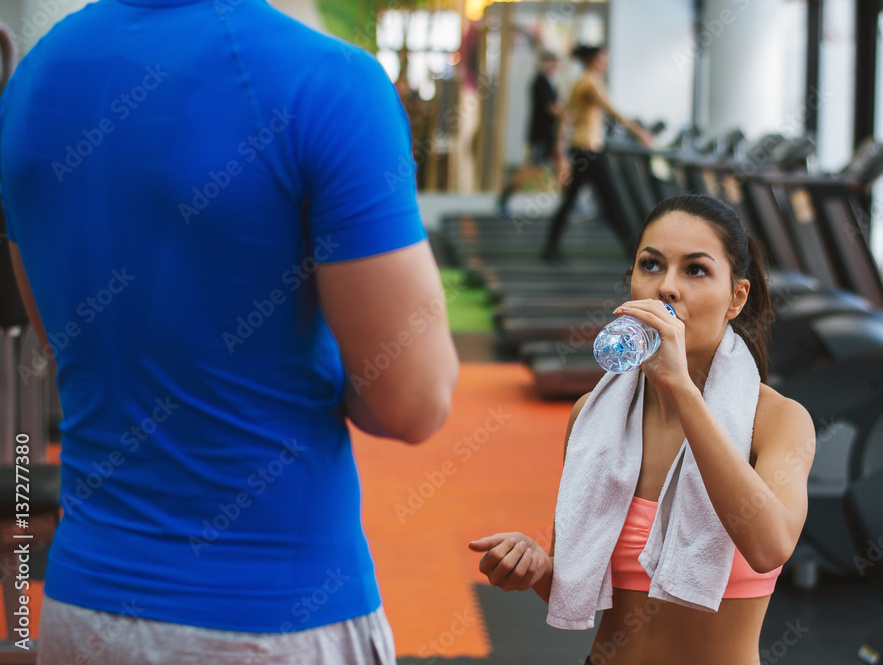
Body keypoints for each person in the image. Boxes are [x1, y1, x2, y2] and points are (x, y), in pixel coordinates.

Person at [1, 0, 458, 663]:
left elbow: (61, 344)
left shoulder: (32, 82)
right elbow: (415, 399)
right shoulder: (331, 81)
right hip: (273, 622)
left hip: (81, 611)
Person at [470, 195, 816, 664]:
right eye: (651, 265)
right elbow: (569, 587)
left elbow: (769, 546)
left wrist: (684, 393)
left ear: (737, 297)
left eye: (695, 270)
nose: (666, 287)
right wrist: (533, 567)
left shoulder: (778, 420)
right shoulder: (591, 416)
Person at [542, 45, 654, 263]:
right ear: (594, 60)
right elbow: (613, 110)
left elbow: (568, 115)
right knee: (608, 200)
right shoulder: (590, 84)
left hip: (588, 149)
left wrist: (560, 144)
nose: (606, 63)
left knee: (602, 200)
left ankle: (632, 248)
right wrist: (640, 132)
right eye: (603, 59)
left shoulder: (583, 81)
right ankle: (634, 249)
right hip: (588, 151)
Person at [497, 51, 561, 219]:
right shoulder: (540, 82)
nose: (555, 67)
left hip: (549, 136)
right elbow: (551, 109)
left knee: (561, 169)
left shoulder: (549, 83)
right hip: (541, 135)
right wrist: (567, 113)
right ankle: (505, 196)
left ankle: (572, 205)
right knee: (531, 169)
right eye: (553, 63)